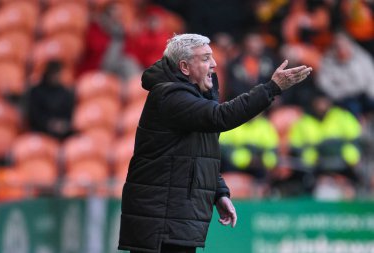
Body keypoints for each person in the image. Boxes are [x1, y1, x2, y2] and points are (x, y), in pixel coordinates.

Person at [118, 33, 312, 253]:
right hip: (161, 220)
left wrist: (219, 193)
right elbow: (221, 117)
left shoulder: (192, 97)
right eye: (205, 58)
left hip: (174, 216)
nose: (214, 63)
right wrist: (271, 88)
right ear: (184, 67)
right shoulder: (170, 96)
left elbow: (197, 154)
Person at [25, 60, 75, 140]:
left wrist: (61, 125)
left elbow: (69, 115)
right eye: (53, 73)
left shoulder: (66, 93)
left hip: (62, 133)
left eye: (57, 73)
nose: (55, 76)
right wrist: (50, 124)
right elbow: (33, 115)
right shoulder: (36, 92)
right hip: (40, 131)